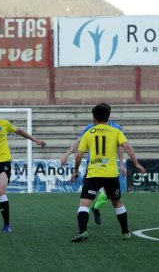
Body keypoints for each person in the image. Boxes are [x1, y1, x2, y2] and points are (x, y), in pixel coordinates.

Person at [70, 103, 145, 242]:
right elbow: (127, 146)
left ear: (94, 119)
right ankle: (125, 232)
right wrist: (136, 164)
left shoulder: (88, 133)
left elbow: (79, 155)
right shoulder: (116, 131)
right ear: (108, 117)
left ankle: (82, 231)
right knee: (117, 203)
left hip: (94, 174)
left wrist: (75, 171)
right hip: (111, 174)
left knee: (84, 204)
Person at [60, 103, 126, 225]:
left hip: (109, 167)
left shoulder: (116, 128)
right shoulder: (90, 127)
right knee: (88, 197)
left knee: (108, 195)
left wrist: (121, 164)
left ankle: (95, 209)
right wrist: (67, 154)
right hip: (93, 168)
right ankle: (85, 221)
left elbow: (120, 146)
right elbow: (79, 141)